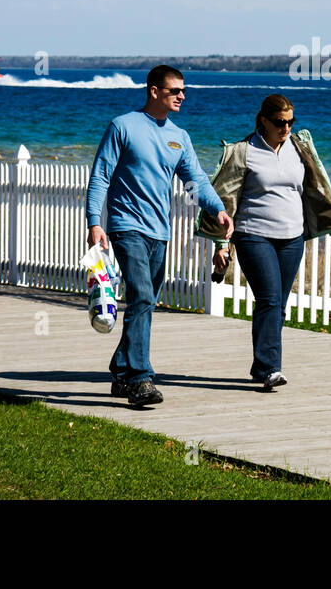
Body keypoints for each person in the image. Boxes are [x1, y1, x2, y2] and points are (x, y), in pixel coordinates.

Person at [86, 65, 232, 407]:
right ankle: (141, 380)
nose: (182, 96)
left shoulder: (179, 136)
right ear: (154, 91)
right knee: (140, 297)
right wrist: (95, 222)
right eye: (174, 90)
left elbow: (195, 182)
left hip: (159, 232)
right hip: (125, 227)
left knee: (146, 301)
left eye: (183, 90)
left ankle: (121, 370)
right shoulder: (123, 126)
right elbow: (100, 177)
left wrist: (217, 209)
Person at [196, 94, 331, 390]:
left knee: (278, 304)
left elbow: (319, 187)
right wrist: (221, 245)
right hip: (254, 234)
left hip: (292, 237)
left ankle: (262, 364)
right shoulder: (244, 151)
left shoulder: (299, 148)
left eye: (291, 121)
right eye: (280, 122)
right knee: (268, 299)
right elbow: (224, 197)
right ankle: (269, 367)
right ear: (263, 120)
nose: (286, 127)